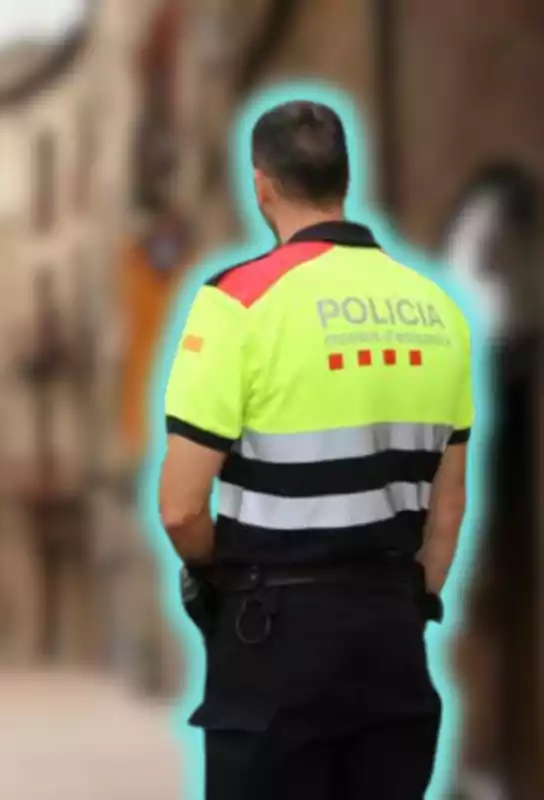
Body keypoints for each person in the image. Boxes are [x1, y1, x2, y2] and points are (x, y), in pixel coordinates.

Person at [158, 100, 474, 799]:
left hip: (273, 641)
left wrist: (220, 581)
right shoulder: (439, 310)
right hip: (393, 642)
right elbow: (447, 508)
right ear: (345, 180)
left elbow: (181, 509)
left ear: (261, 183)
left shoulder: (236, 301)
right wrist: (407, 605)